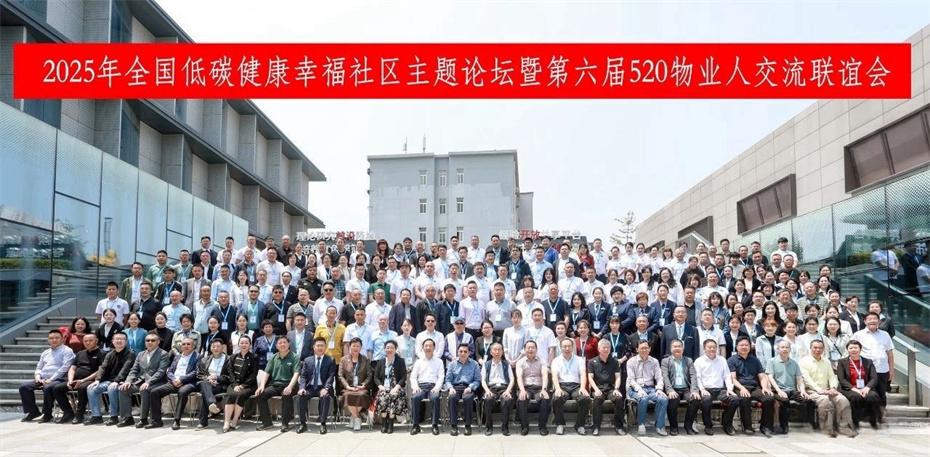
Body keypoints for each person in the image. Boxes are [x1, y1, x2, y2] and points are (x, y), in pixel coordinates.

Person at [799, 340, 857, 437]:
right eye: (815, 347)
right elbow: (807, 380)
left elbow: (832, 377)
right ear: (810, 348)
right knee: (825, 401)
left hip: (828, 390)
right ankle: (827, 428)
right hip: (811, 391)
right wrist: (820, 390)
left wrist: (833, 388)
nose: (817, 350)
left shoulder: (826, 361)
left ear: (823, 349)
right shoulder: (803, 362)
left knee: (843, 400)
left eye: (820, 348)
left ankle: (844, 427)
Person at [116, 331, 170, 428]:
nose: (150, 342)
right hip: (141, 381)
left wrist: (149, 382)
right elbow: (134, 370)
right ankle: (127, 418)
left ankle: (143, 419)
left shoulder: (163, 354)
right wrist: (128, 381)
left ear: (158, 342)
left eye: (153, 340)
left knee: (144, 389)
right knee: (123, 389)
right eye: (147, 340)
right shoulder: (140, 354)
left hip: (158, 382)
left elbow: (161, 371)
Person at [728, 336, 775, 436]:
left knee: (769, 398)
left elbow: (762, 377)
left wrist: (765, 387)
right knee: (745, 398)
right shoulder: (731, 360)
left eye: (746, 345)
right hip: (739, 387)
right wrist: (742, 388)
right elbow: (733, 379)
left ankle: (765, 426)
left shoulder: (755, 360)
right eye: (741, 345)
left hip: (754, 387)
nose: (744, 347)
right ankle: (747, 426)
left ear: (750, 347)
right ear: (736, 347)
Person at [148, 337, 200, 429]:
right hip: (174, 382)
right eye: (183, 344)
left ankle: (177, 420)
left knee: (182, 392)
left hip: (188, 383)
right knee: (154, 392)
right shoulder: (177, 356)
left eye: (188, 344)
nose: (186, 346)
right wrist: (174, 379)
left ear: (193, 346)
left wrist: (181, 380)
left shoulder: (198, 357)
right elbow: (170, 371)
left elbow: (196, 372)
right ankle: (156, 421)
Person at [51, 333, 102, 424]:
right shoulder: (80, 353)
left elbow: (100, 371)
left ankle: (79, 414)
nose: (88, 343)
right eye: (85, 341)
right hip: (76, 379)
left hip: (91, 380)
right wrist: (70, 380)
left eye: (90, 340)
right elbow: (72, 368)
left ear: (96, 341)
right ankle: (68, 412)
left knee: (82, 387)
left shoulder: (102, 353)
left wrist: (83, 380)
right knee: (57, 388)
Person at [693, 339, 739, 435]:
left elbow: (727, 376)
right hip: (706, 389)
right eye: (709, 347)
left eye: (714, 347)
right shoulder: (699, 361)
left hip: (720, 390)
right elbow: (697, 377)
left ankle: (727, 424)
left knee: (735, 399)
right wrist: (702, 389)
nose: (712, 349)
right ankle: (708, 426)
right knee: (706, 400)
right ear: (704, 349)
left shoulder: (722, 360)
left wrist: (729, 389)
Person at [852, 313, 894, 414]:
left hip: (882, 369)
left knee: (881, 392)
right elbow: (852, 350)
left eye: (875, 319)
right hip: (865, 370)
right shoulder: (858, 335)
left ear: (879, 321)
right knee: (867, 392)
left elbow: (890, 353)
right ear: (865, 321)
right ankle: (868, 414)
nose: (872, 321)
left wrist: (891, 369)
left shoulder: (885, 334)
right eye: (869, 319)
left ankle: (881, 413)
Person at [255, 337, 300, 432]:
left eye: (284, 342)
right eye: (280, 343)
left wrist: (290, 387)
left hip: (290, 384)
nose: (282, 344)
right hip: (275, 385)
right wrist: (262, 386)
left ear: (288, 344)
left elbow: (296, 374)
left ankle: (285, 423)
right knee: (260, 394)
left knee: (286, 394)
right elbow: (266, 373)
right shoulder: (273, 357)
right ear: (276, 346)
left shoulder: (294, 357)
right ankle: (267, 423)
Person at [765, 340, 810, 434]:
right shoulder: (772, 361)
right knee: (784, 401)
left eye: (787, 347)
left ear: (790, 349)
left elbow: (799, 378)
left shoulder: (794, 363)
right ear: (778, 349)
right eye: (782, 347)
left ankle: (808, 425)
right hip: (778, 390)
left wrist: (802, 391)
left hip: (792, 390)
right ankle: (783, 426)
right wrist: (779, 390)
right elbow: (770, 377)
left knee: (807, 399)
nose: (785, 349)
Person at [836, 340, 883, 429]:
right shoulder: (842, 362)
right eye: (851, 348)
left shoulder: (868, 362)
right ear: (847, 350)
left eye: (856, 348)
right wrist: (855, 389)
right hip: (849, 389)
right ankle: (855, 421)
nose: (853, 350)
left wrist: (867, 388)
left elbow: (874, 378)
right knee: (855, 397)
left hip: (865, 388)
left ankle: (874, 420)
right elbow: (842, 379)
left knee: (873, 396)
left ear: (860, 349)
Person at [551, 338, 591, 435]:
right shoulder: (556, 360)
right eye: (564, 346)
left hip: (575, 386)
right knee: (557, 398)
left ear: (572, 347)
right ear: (560, 348)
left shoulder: (579, 360)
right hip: (562, 386)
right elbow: (554, 376)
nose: (567, 348)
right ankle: (560, 424)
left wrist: (582, 387)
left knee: (585, 398)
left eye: (569, 346)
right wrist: (557, 388)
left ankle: (580, 425)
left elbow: (583, 374)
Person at [626, 339, 667, 436]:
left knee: (663, 399)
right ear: (637, 349)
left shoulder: (654, 361)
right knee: (643, 398)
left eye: (646, 348)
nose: (644, 350)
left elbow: (659, 377)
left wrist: (659, 389)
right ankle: (641, 424)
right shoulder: (631, 361)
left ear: (650, 349)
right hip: (634, 388)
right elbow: (631, 380)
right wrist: (639, 390)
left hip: (650, 388)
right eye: (642, 348)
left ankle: (660, 426)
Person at [661, 339, 700, 435]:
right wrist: (669, 390)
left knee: (695, 399)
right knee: (673, 399)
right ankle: (673, 427)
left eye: (679, 346)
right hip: (673, 388)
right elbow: (665, 376)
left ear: (683, 348)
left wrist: (694, 390)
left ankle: (688, 426)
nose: (677, 348)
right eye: (675, 346)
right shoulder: (665, 361)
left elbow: (693, 375)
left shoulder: (688, 360)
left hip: (686, 388)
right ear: (671, 349)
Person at [220, 335, 258, 433]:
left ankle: (235, 419)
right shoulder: (233, 357)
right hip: (234, 384)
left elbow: (253, 374)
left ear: (250, 345)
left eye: (246, 343)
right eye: (242, 343)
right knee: (231, 395)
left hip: (249, 385)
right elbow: (230, 372)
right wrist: (235, 385)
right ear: (238, 344)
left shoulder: (254, 357)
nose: (244, 345)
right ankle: (226, 421)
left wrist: (242, 386)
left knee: (241, 394)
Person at [588, 339, 626, 435]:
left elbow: (618, 377)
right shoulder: (592, 362)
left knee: (619, 398)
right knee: (597, 399)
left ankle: (619, 426)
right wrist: (596, 389)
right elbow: (590, 378)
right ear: (599, 349)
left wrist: (616, 389)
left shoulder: (615, 362)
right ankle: (596, 427)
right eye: (603, 347)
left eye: (608, 347)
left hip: (611, 388)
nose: (606, 349)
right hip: (598, 388)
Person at [189, 338, 228, 430]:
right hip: (207, 383)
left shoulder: (229, 359)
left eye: (218, 346)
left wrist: (217, 378)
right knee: (205, 385)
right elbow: (199, 375)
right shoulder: (204, 360)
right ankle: (211, 404)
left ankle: (203, 422)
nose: (216, 348)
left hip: (220, 385)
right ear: (210, 348)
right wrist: (208, 379)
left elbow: (230, 376)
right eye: (213, 346)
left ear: (222, 347)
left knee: (205, 393)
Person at [515, 340, 551, 436]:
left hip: (539, 388)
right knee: (522, 398)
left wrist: (544, 389)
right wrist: (522, 390)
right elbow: (519, 377)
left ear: (536, 349)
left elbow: (544, 375)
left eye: (533, 347)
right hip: (526, 387)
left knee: (545, 398)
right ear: (524, 350)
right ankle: (524, 427)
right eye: (528, 348)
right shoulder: (520, 362)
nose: (530, 350)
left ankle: (542, 427)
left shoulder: (542, 361)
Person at [409, 338, 444, 435]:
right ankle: (415, 425)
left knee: (435, 398)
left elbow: (441, 377)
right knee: (415, 398)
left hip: (433, 386)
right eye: (426, 346)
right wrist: (415, 387)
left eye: (430, 346)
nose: (428, 348)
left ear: (434, 348)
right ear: (423, 348)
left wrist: (437, 388)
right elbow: (413, 377)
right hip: (421, 387)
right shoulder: (418, 362)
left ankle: (435, 425)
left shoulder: (439, 361)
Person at [445, 343, 481, 435]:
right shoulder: (452, 364)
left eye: (465, 351)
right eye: (461, 351)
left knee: (467, 398)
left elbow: (477, 380)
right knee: (452, 397)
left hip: (468, 387)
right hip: (455, 387)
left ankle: (468, 425)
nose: (463, 353)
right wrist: (450, 388)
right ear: (457, 352)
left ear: (469, 353)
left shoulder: (474, 364)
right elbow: (448, 380)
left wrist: (470, 387)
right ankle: (453, 425)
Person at [374, 340, 408, 434]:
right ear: (384, 349)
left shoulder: (400, 361)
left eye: (392, 348)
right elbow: (376, 377)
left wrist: (396, 387)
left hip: (396, 387)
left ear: (395, 349)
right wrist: (380, 386)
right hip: (384, 387)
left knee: (394, 396)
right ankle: (384, 422)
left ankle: (391, 423)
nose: (389, 350)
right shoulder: (381, 362)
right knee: (383, 396)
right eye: (387, 348)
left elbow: (403, 377)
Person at [339, 337, 373, 431]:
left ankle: (353, 417)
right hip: (348, 387)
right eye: (353, 346)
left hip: (361, 387)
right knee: (348, 395)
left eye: (358, 346)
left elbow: (369, 375)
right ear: (350, 347)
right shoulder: (343, 359)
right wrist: (347, 386)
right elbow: (340, 376)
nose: (355, 348)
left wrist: (363, 385)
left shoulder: (365, 359)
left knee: (362, 395)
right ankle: (357, 418)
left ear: (361, 348)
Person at [481, 342, 515, 436]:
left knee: (507, 400)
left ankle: (505, 427)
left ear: (502, 352)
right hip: (491, 388)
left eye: (499, 350)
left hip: (504, 387)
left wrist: (508, 391)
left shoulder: (506, 364)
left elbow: (512, 379)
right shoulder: (486, 364)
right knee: (488, 399)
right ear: (491, 352)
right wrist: (487, 391)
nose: (497, 352)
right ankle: (489, 427)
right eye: (495, 350)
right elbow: (483, 380)